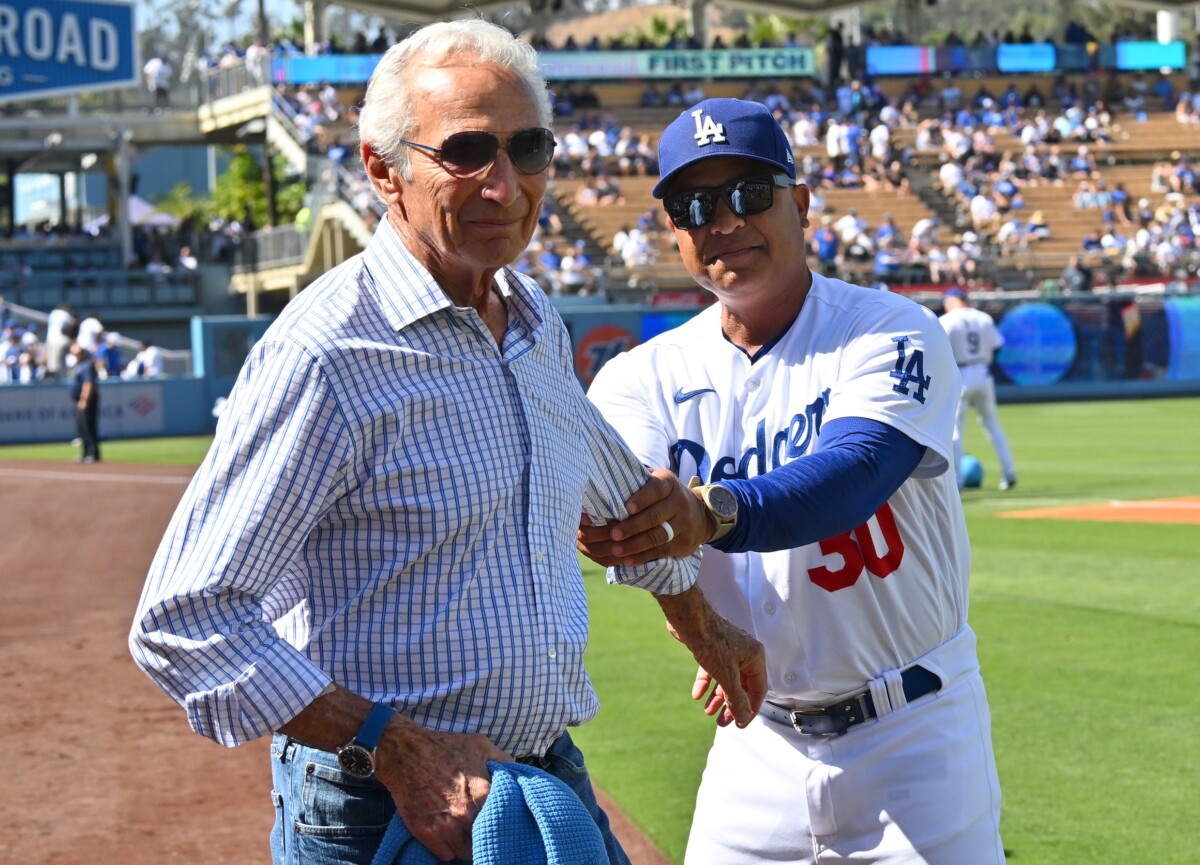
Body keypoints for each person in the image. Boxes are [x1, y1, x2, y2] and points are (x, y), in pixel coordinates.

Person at [128, 22, 764, 865]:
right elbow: (183, 619)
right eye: (466, 152)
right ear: (383, 169)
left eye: (527, 148)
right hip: (378, 804)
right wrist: (392, 747)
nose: (505, 185)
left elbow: (629, 512)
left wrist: (705, 628)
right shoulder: (327, 353)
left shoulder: (528, 317)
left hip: (543, 777)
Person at [577, 98, 1005, 865]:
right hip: (758, 737)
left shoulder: (890, 330)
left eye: (749, 194)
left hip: (915, 732)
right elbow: (632, 528)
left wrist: (708, 512)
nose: (724, 220)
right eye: (695, 204)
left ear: (800, 203)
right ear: (673, 229)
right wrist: (705, 629)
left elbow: (854, 472)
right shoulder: (638, 379)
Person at [938, 287, 1018, 491]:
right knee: (992, 424)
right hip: (983, 372)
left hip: (960, 373)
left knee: (955, 428)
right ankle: (1009, 473)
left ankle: (957, 481)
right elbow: (997, 345)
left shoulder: (947, 320)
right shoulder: (983, 317)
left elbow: (937, 348)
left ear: (953, 300)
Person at [69, 343, 100, 463]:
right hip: (80, 401)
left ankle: (92, 454)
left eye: (77, 352)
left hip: (87, 401)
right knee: (82, 428)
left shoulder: (86, 365)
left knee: (88, 427)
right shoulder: (78, 366)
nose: (75, 355)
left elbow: (88, 384)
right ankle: (85, 453)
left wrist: (84, 399)